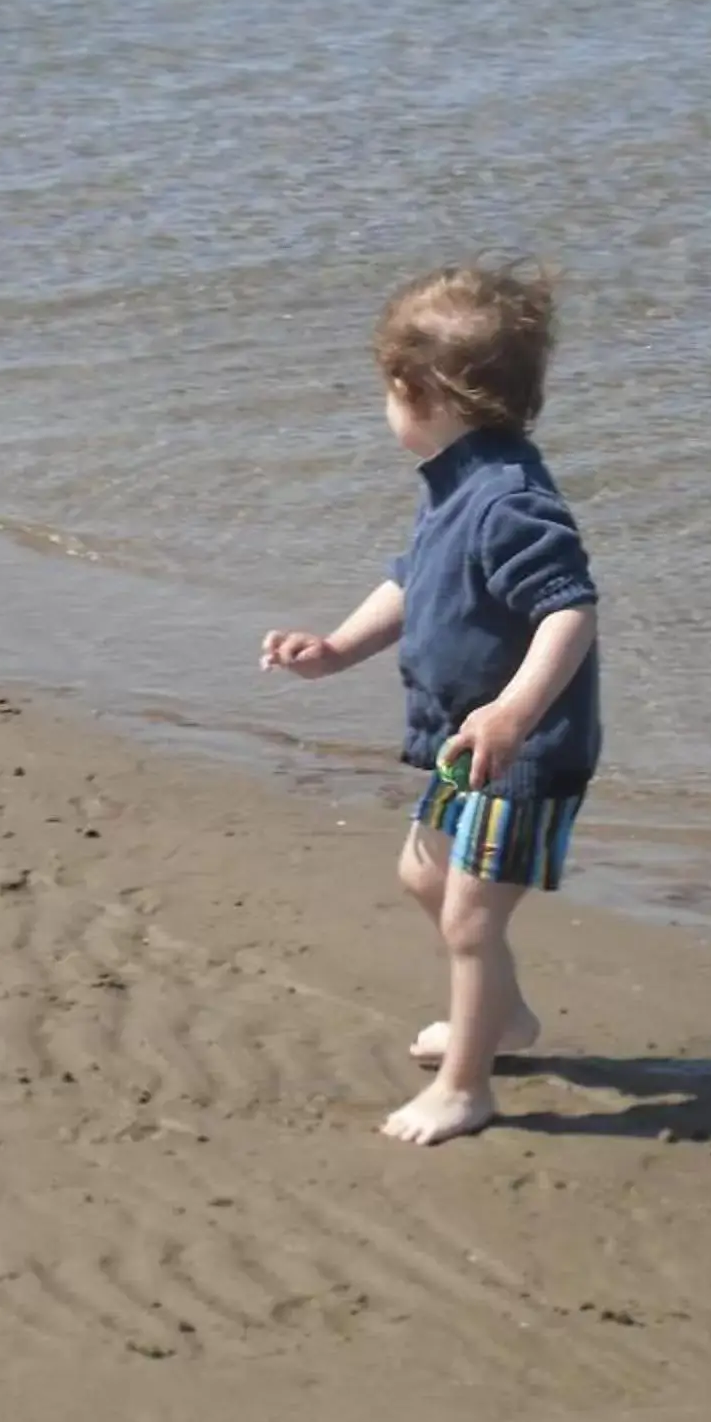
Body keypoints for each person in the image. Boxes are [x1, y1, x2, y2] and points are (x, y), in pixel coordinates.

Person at [260, 263, 600, 1145]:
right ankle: (506, 1019)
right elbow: (414, 581)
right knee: (424, 875)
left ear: (418, 393)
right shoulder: (459, 479)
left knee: (469, 917)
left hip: (523, 748)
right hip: (466, 739)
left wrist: (516, 711)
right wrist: (336, 648)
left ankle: (466, 1086)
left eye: (387, 390)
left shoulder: (510, 501)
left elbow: (570, 609)